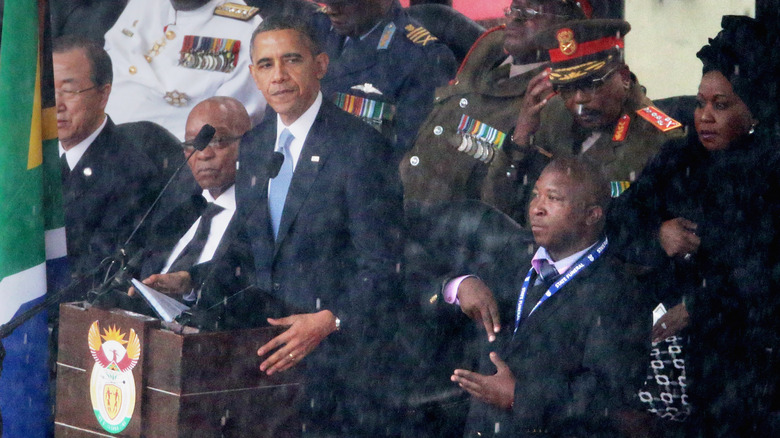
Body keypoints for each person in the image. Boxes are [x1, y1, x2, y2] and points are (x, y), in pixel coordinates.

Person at [162, 16, 405, 434]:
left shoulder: (361, 150)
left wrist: (330, 319)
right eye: (267, 64)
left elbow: (384, 267)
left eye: (291, 60)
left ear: (321, 65)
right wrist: (190, 278)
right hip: (263, 356)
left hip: (337, 364)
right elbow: (250, 247)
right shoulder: (255, 147)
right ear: (253, 75)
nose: (279, 76)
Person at [609, 16, 780, 437]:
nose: (704, 116)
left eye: (721, 106)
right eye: (701, 103)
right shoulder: (677, 160)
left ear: (753, 111)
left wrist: (704, 306)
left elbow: (767, 276)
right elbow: (618, 222)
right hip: (665, 350)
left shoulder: (771, 173)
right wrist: (658, 235)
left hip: (748, 362)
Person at [447, 157, 649, 436]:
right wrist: (459, 285)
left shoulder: (620, 291)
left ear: (592, 215)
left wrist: (521, 397)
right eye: (535, 195)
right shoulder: (514, 254)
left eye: (553, 198)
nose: (536, 209)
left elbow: (608, 396)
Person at [400, 0, 587, 224]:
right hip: (399, 213)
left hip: (454, 241)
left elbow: (518, 213)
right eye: (513, 9)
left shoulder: (553, 103)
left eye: (530, 11)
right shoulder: (486, 53)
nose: (515, 18)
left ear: (565, 28)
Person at [513, 19, 684, 198]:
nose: (579, 99)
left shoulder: (659, 140)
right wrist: (519, 141)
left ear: (624, 77)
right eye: (567, 87)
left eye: (590, 84)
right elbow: (500, 203)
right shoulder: (551, 113)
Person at [53, 35, 171, 287]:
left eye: (69, 91)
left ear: (103, 94)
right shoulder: (33, 161)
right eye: (48, 91)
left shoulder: (131, 171)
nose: (56, 105)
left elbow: (100, 271)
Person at [129, 96, 252, 313]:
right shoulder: (181, 210)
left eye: (218, 141)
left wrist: (189, 284)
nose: (203, 154)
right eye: (193, 145)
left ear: (251, 143)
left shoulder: (258, 215)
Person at [103, 0, 265, 140]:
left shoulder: (245, 32)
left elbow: (229, 128)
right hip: (100, 139)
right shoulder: (144, 4)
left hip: (166, 159)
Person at [315, 0, 458, 157]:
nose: (331, 10)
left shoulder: (420, 58)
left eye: (343, 3)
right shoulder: (316, 29)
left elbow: (413, 157)